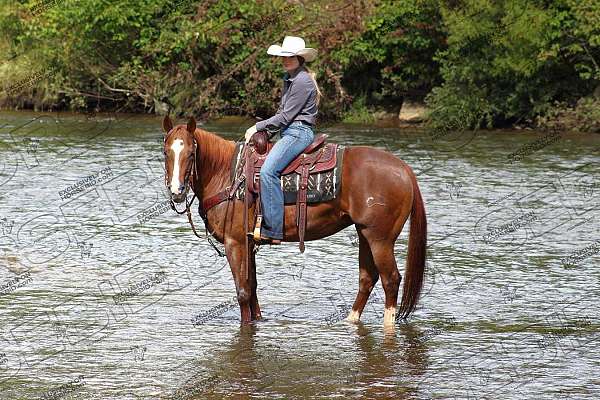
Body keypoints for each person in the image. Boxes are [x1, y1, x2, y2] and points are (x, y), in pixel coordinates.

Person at [244, 36, 322, 244]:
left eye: (289, 57)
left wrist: (257, 127)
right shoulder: (290, 79)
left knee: (269, 172)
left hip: (298, 132)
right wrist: (268, 133)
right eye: (283, 56)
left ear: (299, 57)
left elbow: (286, 117)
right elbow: (282, 113)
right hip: (288, 131)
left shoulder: (302, 81)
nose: (285, 60)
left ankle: (274, 229)